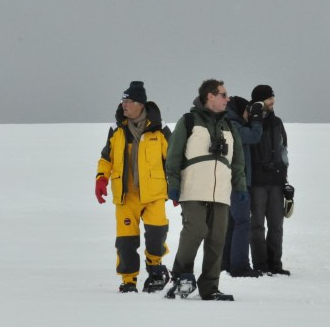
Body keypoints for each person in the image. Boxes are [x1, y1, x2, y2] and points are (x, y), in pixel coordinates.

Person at [165, 79, 248, 301]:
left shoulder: (229, 126)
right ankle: (181, 277)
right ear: (210, 96)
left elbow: (238, 160)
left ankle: (210, 287)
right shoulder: (189, 121)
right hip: (193, 189)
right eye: (223, 95)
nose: (227, 99)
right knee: (195, 231)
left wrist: (239, 185)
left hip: (221, 191)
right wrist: (172, 185)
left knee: (217, 238)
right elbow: (173, 155)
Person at [94, 81, 172, 293]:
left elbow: (173, 161)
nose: (124, 105)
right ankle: (128, 280)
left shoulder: (160, 130)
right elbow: (105, 159)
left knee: (157, 234)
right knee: (126, 241)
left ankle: (155, 269)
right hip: (126, 195)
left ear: (140, 104)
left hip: (154, 194)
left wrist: (176, 187)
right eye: (123, 101)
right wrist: (101, 179)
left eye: (128, 101)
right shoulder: (117, 131)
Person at [248, 84, 291, 275]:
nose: (272, 101)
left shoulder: (277, 122)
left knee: (276, 225)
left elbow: (283, 149)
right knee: (256, 225)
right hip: (257, 182)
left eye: (272, 97)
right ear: (259, 101)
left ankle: (275, 264)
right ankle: (261, 265)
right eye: (268, 98)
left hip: (276, 181)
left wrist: (285, 177)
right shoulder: (249, 121)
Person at [223, 96, 264, 277]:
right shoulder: (234, 125)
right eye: (247, 111)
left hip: (230, 182)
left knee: (232, 224)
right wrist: (257, 119)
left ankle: (227, 265)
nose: (248, 114)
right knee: (242, 222)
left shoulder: (229, 123)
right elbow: (254, 137)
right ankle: (239, 267)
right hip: (237, 183)